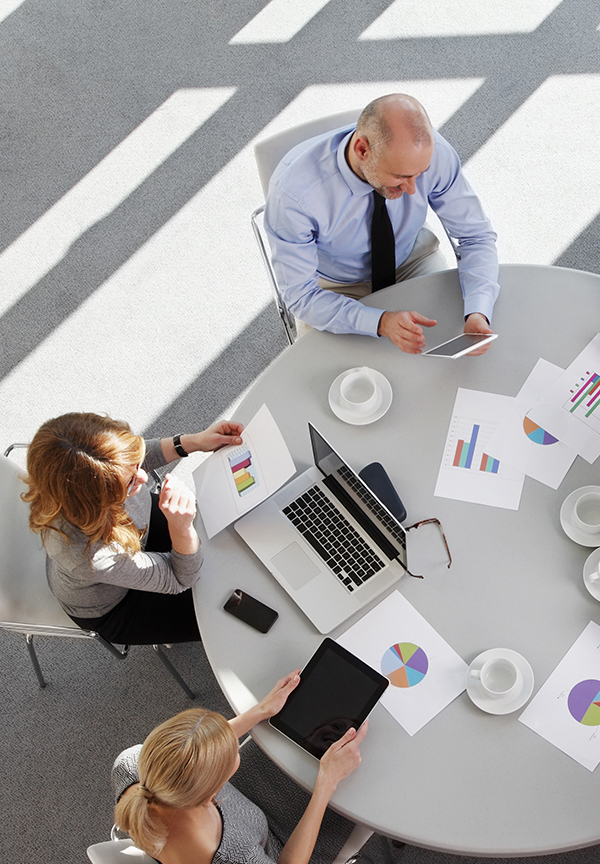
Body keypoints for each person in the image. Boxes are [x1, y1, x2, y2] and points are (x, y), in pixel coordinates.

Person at [113, 671, 367, 864]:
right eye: (229, 754)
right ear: (212, 794)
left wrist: (260, 711)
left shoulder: (132, 764)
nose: (233, 743)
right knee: (361, 792)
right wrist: (326, 783)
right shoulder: (233, 862)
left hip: (244, 827)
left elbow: (194, 749)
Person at [263, 93, 500, 354]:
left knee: (446, 353)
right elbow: (301, 296)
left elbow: (476, 236)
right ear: (362, 150)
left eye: (419, 175)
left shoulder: (432, 154)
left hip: (412, 258)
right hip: (335, 285)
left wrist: (478, 309)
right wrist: (381, 322)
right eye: (401, 176)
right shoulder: (294, 196)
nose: (412, 189)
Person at [23, 412, 243, 644]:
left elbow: (127, 459)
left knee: (220, 543)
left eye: (135, 463)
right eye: (129, 481)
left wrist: (193, 442)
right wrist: (182, 528)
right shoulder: (90, 555)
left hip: (134, 536)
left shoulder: (92, 479)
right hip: (118, 605)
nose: (143, 474)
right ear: (99, 498)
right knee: (222, 619)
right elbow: (180, 579)